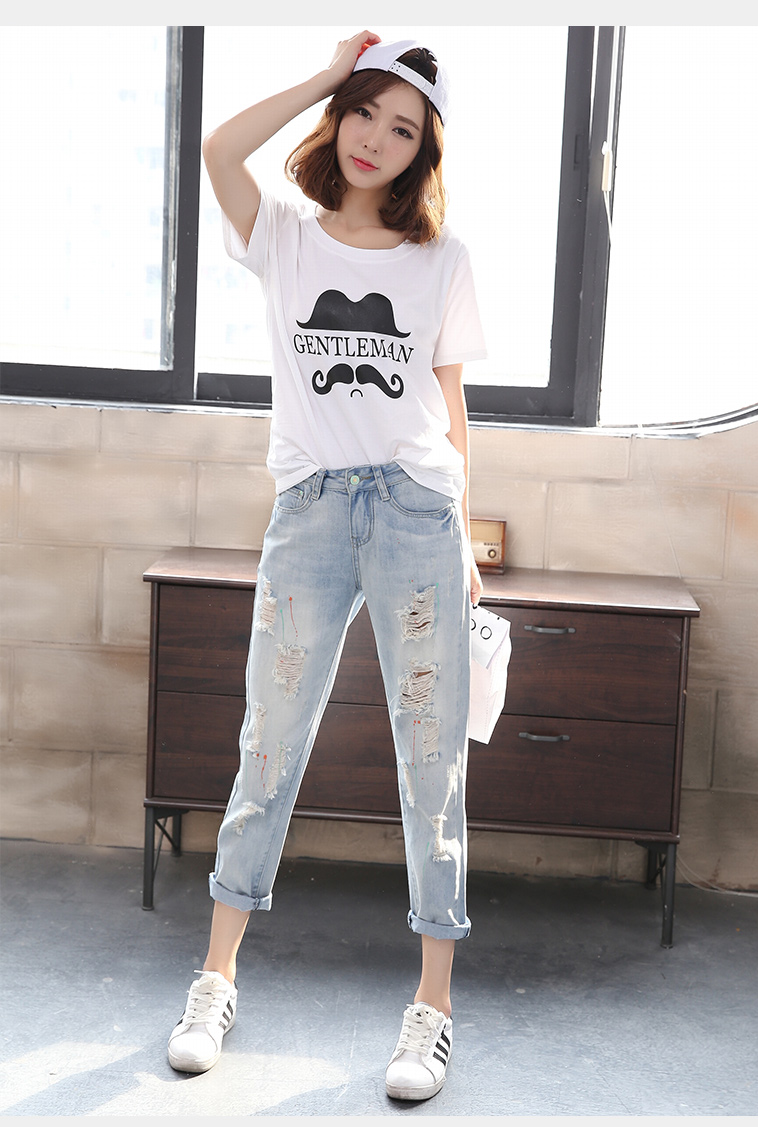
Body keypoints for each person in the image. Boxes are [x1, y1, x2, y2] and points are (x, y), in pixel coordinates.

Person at [166, 30, 487, 1102]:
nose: (375, 140)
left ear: (421, 152)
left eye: (403, 129)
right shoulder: (287, 239)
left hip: (416, 513)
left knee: (431, 760)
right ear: (339, 115)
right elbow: (219, 149)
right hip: (308, 510)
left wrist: (464, 534)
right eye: (364, 112)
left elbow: (451, 406)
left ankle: (432, 1008)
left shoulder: (442, 260)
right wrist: (320, 75)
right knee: (269, 742)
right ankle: (215, 979)